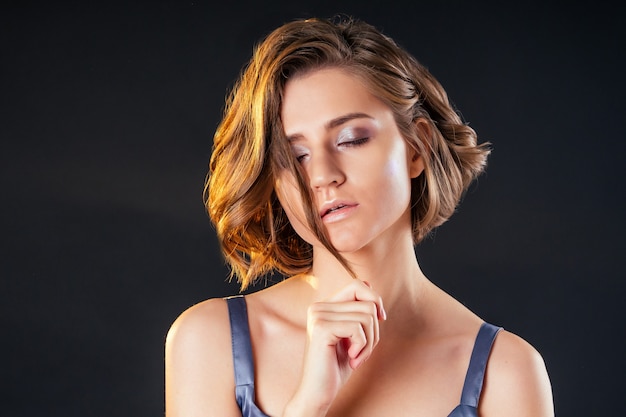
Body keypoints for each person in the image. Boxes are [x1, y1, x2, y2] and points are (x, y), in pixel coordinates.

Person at [165, 16, 554, 417]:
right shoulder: (210, 342)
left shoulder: (505, 373)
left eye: (351, 139)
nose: (322, 176)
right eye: (294, 157)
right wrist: (309, 404)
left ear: (416, 147)